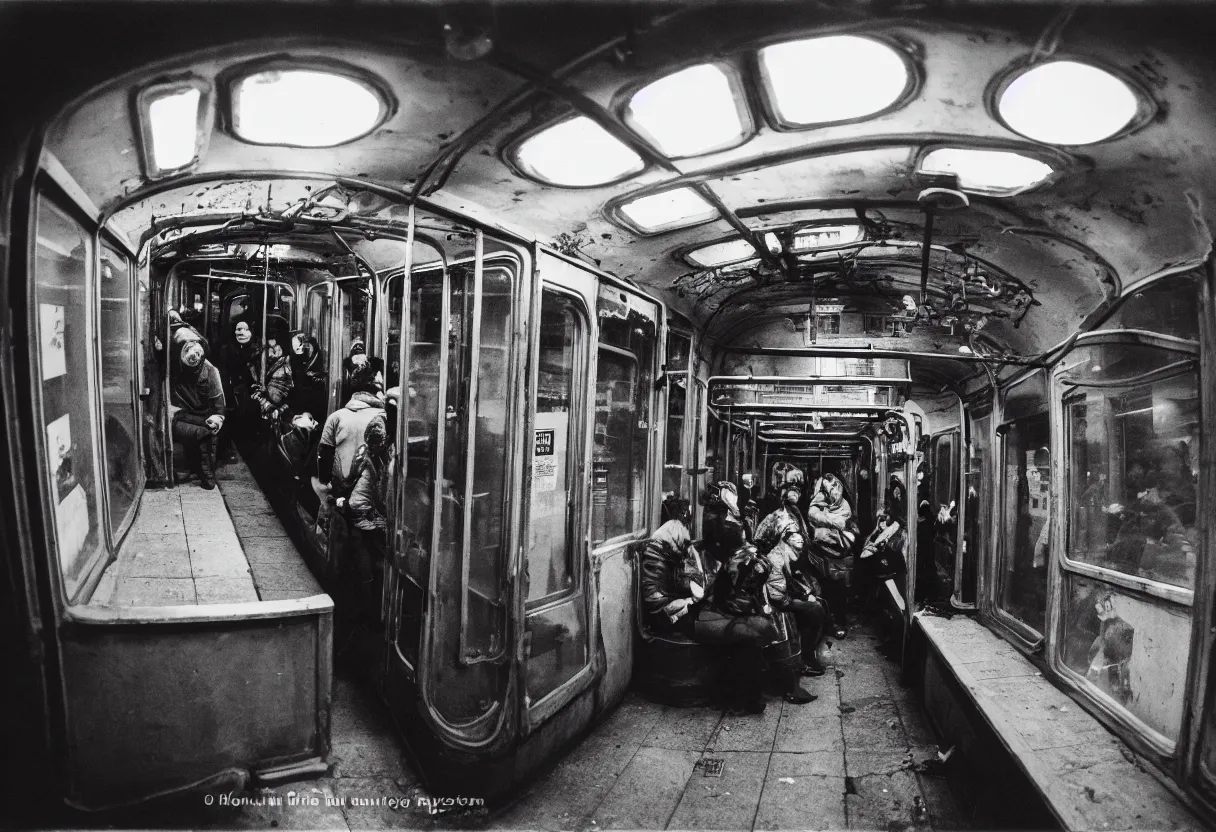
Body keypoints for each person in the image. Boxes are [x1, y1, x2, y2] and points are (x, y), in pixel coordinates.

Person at [641, 498, 795, 713]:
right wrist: (691, 598)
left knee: (755, 629)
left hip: (694, 608)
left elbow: (699, 584)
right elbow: (656, 600)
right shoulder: (661, 550)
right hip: (677, 615)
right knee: (745, 634)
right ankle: (744, 700)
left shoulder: (682, 547)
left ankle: (747, 698)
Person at [764, 524, 828, 679]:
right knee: (814, 610)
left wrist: (805, 593)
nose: (799, 538)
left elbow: (792, 581)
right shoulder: (777, 558)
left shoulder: (792, 555)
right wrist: (803, 598)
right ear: (784, 539)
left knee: (821, 604)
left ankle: (810, 652)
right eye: (793, 535)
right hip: (779, 601)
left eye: (799, 534)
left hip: (785, 595)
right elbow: (777, 593)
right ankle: (805, 659)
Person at [806, 473, 859, 639]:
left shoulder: (844, 505)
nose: (833, 493)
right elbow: (813, 516)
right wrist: (830, 523)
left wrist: (826, 524)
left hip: (839, 555)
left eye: (835, 488)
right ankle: (825, 623)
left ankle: (839, 622)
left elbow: (844, 522)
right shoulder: (819, 499)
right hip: (819, 554)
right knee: (821, 589)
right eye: (829, 489)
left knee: (840, 591)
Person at [170, 336, 225, 489]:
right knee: (202, 433)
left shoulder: (211, 372)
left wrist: (217, 419)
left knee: (207, 431)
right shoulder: (175, 368)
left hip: (202, 415)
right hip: (179, 414)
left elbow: (219, 405)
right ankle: (206, 475)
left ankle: (206, 474)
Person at [348, 413, 390, 614]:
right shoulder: (371, 462)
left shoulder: (365, 454)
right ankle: (369, 614)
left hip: (363, 520)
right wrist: (377, 523)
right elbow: (358, 503)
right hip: (362, 523)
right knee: (370, 569)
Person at [218, 318, 261, 460]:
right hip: (233, 390)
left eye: (245, 329)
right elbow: (223, 373)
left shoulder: (256, 350)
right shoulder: (226, 350)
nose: (242, 333)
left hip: (249, 390)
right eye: (239, 329)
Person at [250, 328, 293, 426]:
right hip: (263, 409)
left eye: (277, 349)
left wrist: (282, 408)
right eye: (269, 348)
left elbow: (290, 389)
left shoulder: (285, 363)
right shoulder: (257, 364)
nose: (273, 353)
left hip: (280, 408)